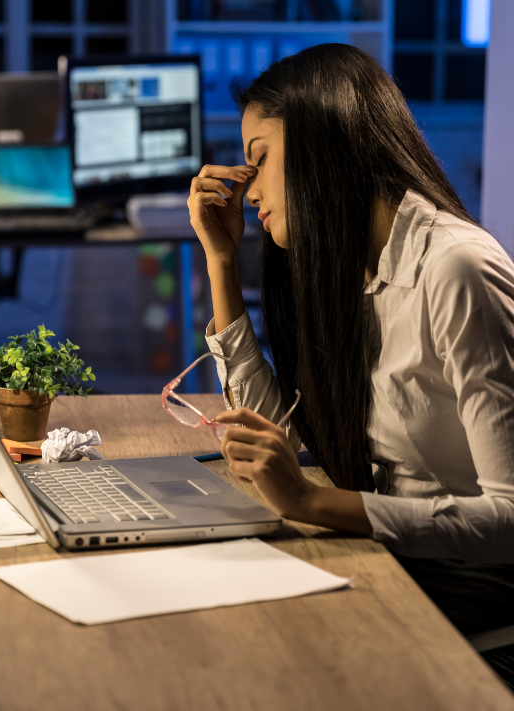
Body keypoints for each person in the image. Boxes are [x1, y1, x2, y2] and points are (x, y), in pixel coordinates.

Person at [188, 43, 514, 686]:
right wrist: (221, 264)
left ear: (321, 146)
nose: (245, 185)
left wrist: (313, 499)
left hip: (479, 598)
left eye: (258, 158)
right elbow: (278, 436)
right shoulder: (347, 263)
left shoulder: (456, 269)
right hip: (394, 565)